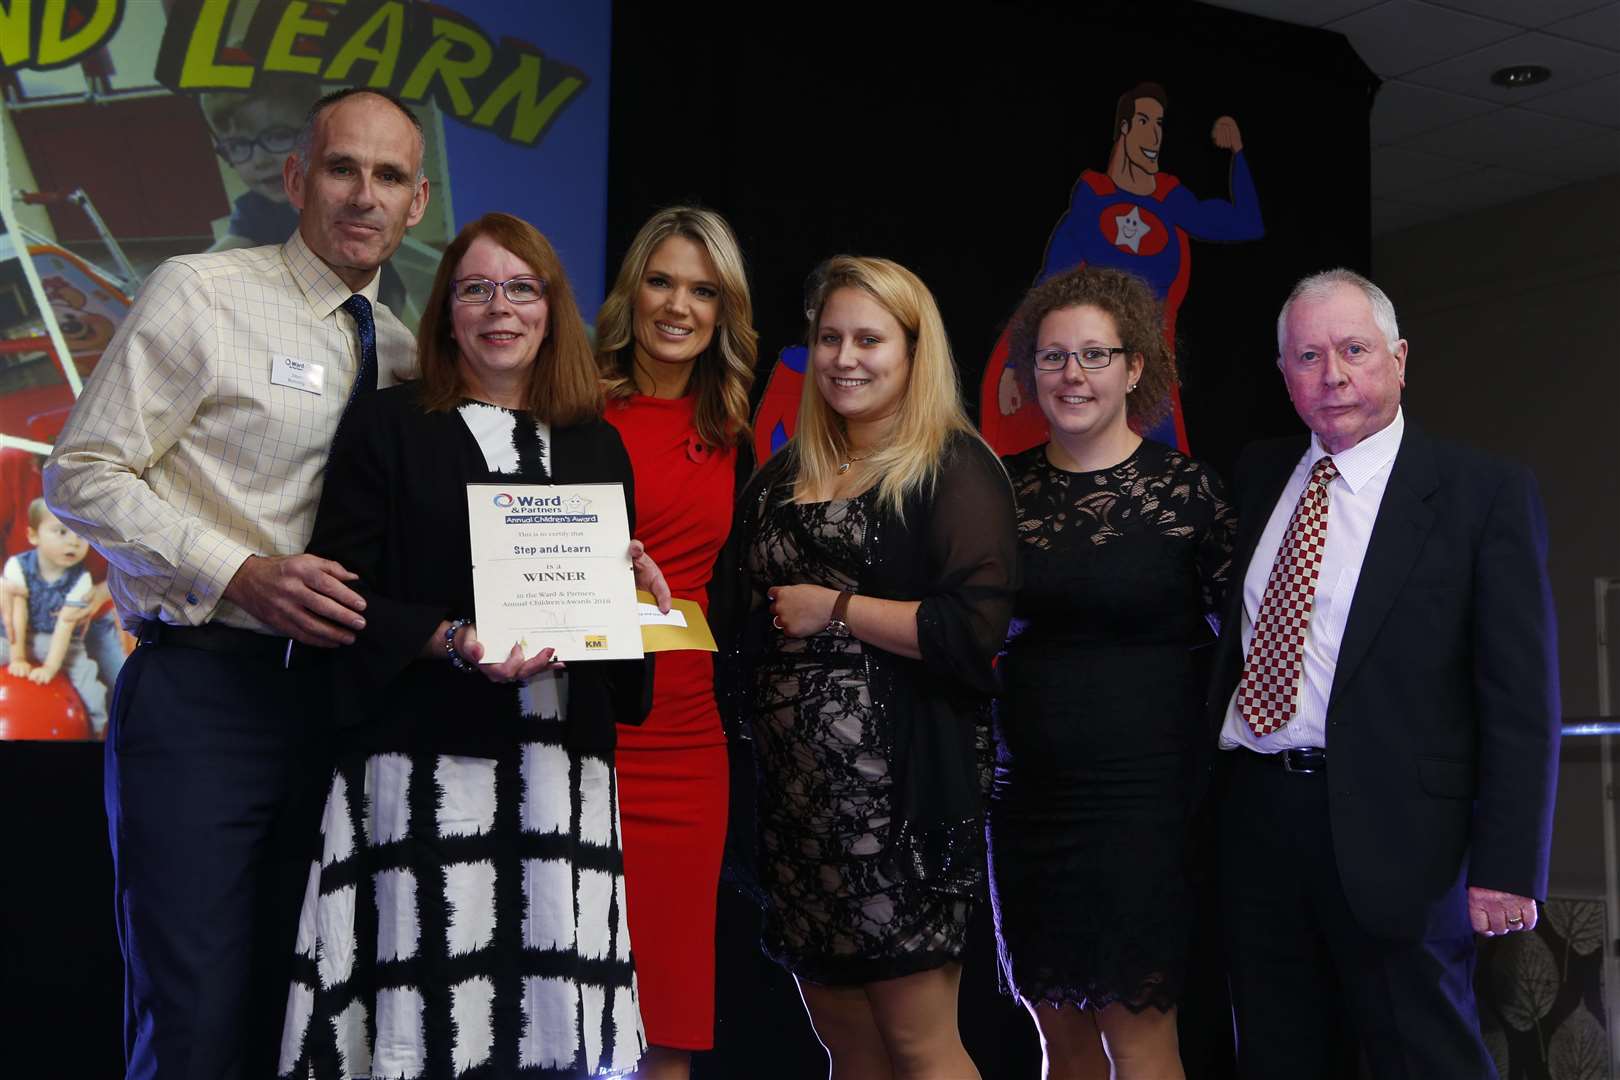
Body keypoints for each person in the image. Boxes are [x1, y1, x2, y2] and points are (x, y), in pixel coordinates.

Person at [43, 86, 429, 1077]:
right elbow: (80, 474)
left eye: (389, 177)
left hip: (342, 711)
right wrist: (239, 572)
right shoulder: (201, 292)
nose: (363, 195)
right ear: (297, 178)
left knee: (307, 1017)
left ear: (418, 204)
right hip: (203, 693)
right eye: (342, 168)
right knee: (195, 1017)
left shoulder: (406, 353)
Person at [277, 211, 667, 1078]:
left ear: (551, 307)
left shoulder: (595, 443)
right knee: (429, 1028)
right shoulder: (389, 426)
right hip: (426, 768)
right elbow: (340, 598)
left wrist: (637, 600)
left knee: (553, 1037)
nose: (501, 307)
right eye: (477, 288)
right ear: (447, 310)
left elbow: (606, 636)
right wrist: (448, 638)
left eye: (521, 287)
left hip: (560, 771)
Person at [1210, 269, 1560, 1078]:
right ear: (1284, 376)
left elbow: (1521, 698)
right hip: (1256, 822)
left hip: (1406, 843)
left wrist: (1509, 866)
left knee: (1426, 1057)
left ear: (1399, 359)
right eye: (1307, 355)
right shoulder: (1260, 475)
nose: (1332, 374)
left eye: (1354, 350)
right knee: (1277, 1055)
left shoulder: (1481, 493)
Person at [738, 255, 1017, 1078]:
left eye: (869, 338)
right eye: (830, 338)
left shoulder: (952, 466)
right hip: (796, 812)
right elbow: (745, 614)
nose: (845, 358)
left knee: (919, 1045)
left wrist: (837, 608)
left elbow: (973, 631)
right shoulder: (780, 478)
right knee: (847, 1047)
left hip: (900, 805)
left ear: (912, 350)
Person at [989, 267, 1233, 1080]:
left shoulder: (1190, 493)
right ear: (1030, 375)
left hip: (1147, 806)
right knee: (1057, 1037)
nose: (1073, 375)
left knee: (1139, 1038)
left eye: (1095, 355)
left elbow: (1247, 642)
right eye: (1054, 357)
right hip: (1026, 801)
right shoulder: (997, 491)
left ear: (1136, 368)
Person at [595, 206, 758, 1079]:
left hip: (687, 737)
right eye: (661, 280)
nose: (678, 306)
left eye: (702, 289)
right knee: (566, 984)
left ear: (724, 308)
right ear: (633, 289)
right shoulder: (573, 402)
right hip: (579, 715)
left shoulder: (733, 425)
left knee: (669, 1006)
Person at [980, 80, 1264, 456]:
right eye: (1144, 121)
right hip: (1091, 380)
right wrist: (1014, 367)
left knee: (1162, 489)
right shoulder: (1091, 203)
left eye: (1160, 124)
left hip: (1148, 381)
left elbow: (1247, 223)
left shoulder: (1170, 200)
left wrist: (1239, 154)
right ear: (1125, 129)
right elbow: (1046, 295)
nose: (1154, 134)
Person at [0, 499, 120, 733]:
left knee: (93, 688)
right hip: (13, 636)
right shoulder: (17, 565)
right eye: (62, 532)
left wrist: (51, 667)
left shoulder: (82, 580)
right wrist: (18, 658)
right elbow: (17, 611)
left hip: (62, 644)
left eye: (81, 535)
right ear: (33, 536)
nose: (74, 541)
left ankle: (94, 733)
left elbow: (65, 625)